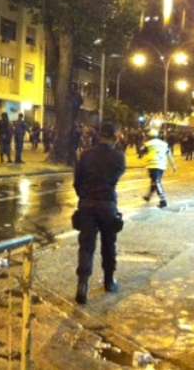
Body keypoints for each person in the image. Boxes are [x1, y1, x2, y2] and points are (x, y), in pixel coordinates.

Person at [74, 122, 126, 305]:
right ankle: (109, 281)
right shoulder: (119, 157)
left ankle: (82, 285)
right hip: (107, 204)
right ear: (115, 137)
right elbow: (115, 178)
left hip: (87, 204)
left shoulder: (86, 155)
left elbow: (77, 181)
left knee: (86, 246)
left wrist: (85, 196)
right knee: (108, 244)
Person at [141, 128, 176, 208]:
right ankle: (148, 196)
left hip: (153, 165)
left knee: (156, 182)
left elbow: (141, 151)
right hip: (162, 165)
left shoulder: (148, 144)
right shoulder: (164, 144)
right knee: (155, 181)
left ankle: (163, 200)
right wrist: (173, 165)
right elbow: (169, 155)